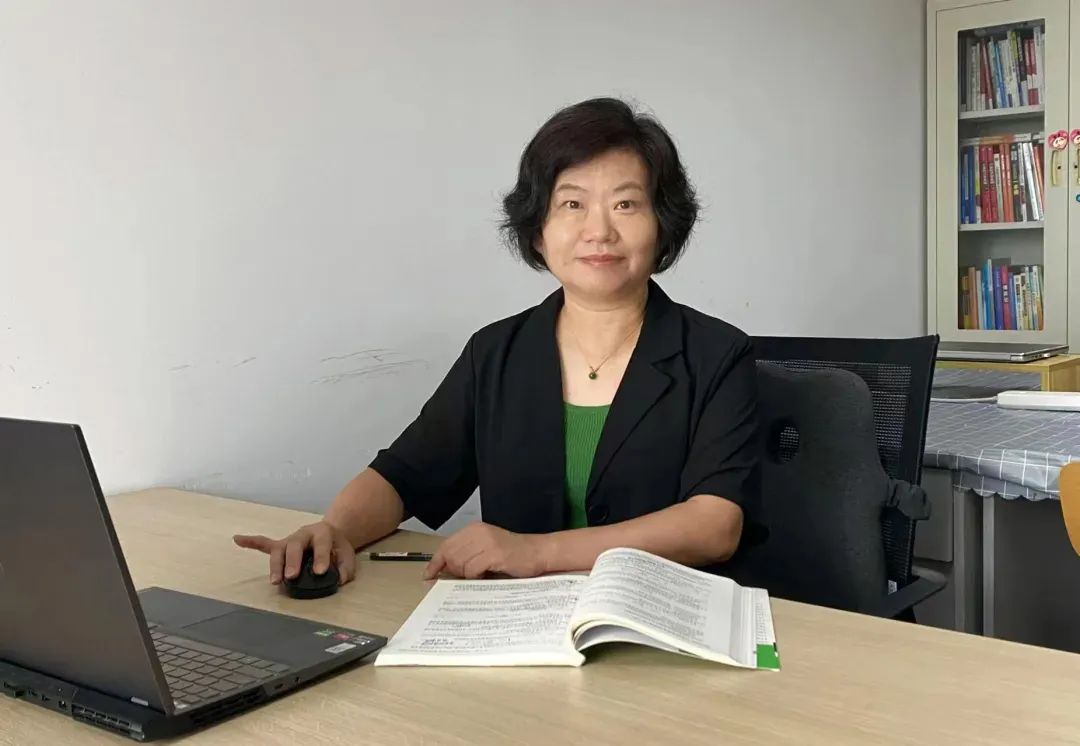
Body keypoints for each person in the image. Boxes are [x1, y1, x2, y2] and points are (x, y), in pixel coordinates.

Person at [234, 97, 761, 585]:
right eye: (571, 204)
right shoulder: (496, 353)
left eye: (625, 205)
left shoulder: (717, 355)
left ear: (662, 225)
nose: (599, 231)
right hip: (517, 625)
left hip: (661, 622)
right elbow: (404, 477)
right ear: (538, 230)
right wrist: (335, 531)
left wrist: (536, 552)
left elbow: (714, 526)